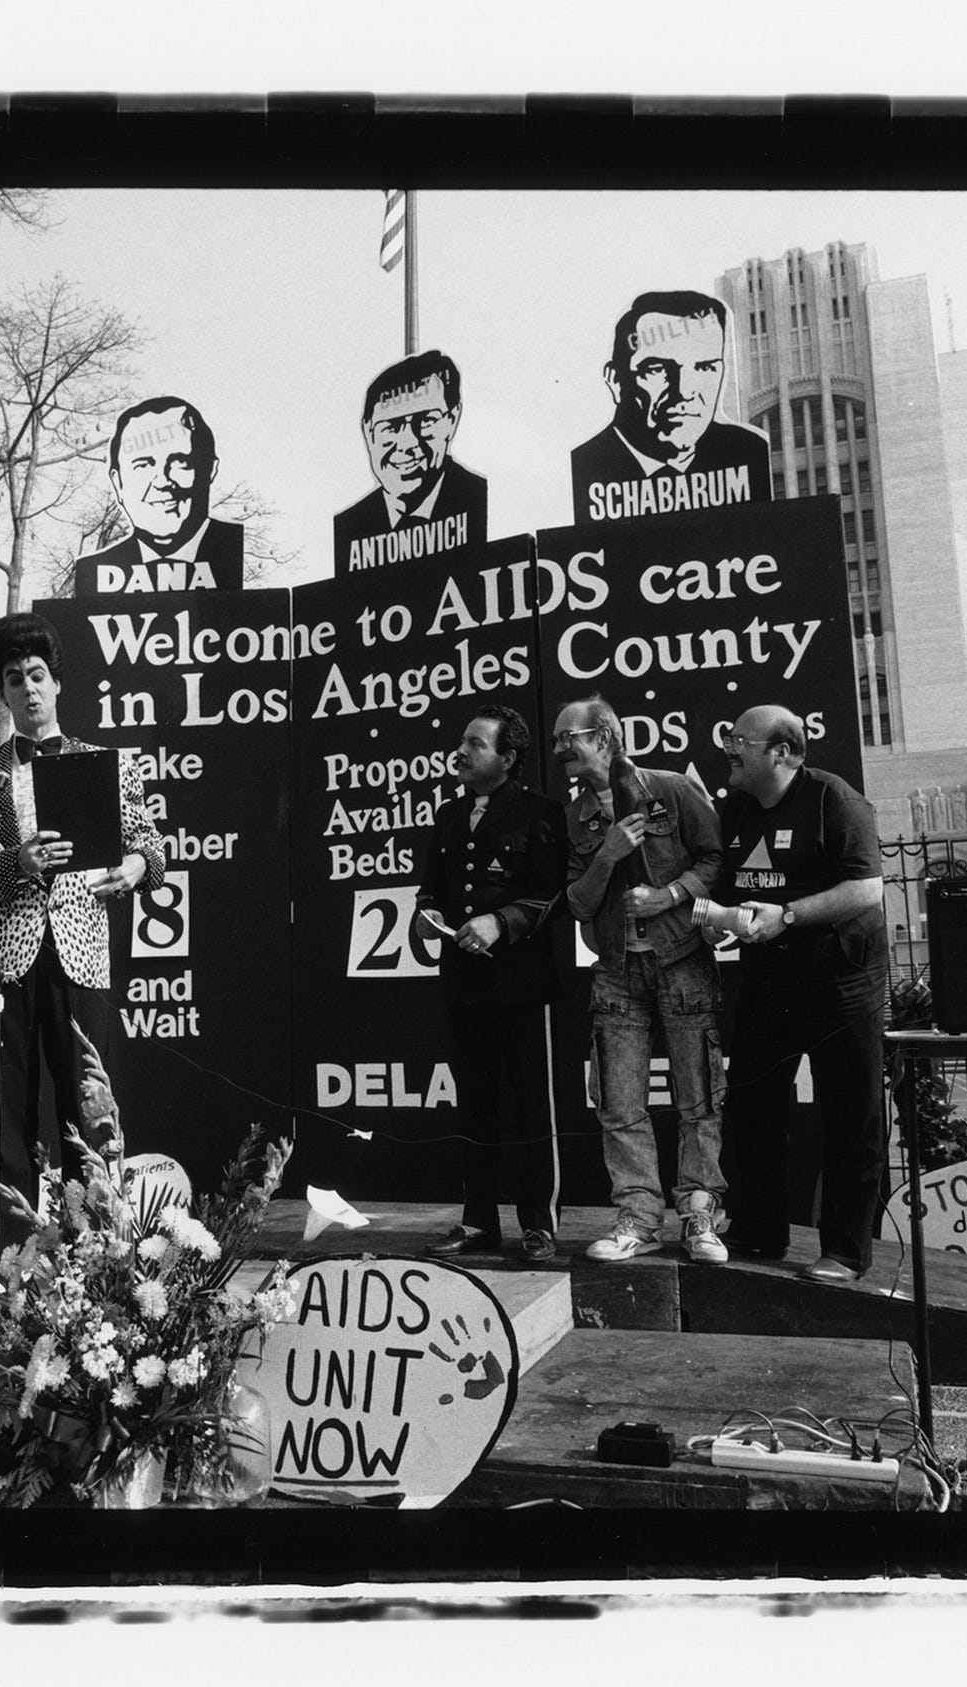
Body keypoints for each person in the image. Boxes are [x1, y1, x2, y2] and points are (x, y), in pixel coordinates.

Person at [0, 612, 169, 1252]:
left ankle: (95, 1257)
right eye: (14, 679)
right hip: (4, 958)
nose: (28, 689)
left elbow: (150, 846)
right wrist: (17, 861)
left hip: (81, 952)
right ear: (2, 693)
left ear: (57, 683)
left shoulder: (108, 765)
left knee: (90, 1107)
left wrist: (136, 868)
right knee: (9, 1113)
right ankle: (11, 1261)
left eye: (37, 675)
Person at [712, 704, 889, 1282]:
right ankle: (759, 1232)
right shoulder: (734, 808)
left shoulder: (835, 799)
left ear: (782, 753)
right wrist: (719, 918)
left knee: (849, 1116)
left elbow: (866, 889)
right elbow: (723, 885)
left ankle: (844, 1251)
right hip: (768, 982)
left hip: (841, 982)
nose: (729, 749)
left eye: (741, 740)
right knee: (751, 1105)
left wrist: (788, 914)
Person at [554, 695, 730, 1263]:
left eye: (568, 739)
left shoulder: (673, 789)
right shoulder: (576, 816)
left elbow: (714, 860)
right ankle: (638, 1216)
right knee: (619, 1103)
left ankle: (699, 1212)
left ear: (603, 738)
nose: (560, 750)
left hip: (683, 964)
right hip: (615, 972)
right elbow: (579, 904)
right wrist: (606, 855)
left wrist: (667, 897)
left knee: (698, 1097)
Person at [410, 707, 567, 1262]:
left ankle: (538, 1225)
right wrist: (424, 916)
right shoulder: (449, 816)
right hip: (464, 985)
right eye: (462, 741)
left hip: (523, 986)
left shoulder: (543, 814)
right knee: (474, 1105)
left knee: (531, 1106)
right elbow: (432, 889)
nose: (462, 752)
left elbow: (554, 895)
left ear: (507, 758)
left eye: (476, 744)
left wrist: (501, 922)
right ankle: (478, 1222)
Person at [568, 290, 772, 526]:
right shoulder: (590, 466)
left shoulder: (747, 452)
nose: (685, 392)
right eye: (657, 369)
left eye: (705, 368)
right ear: (615, 380)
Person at [332, 350, 490, 576]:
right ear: (368, 432)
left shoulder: (473, 494)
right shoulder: (352, 525)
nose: (407, 443)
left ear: (452, 420)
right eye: (391, 427)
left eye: (426, 421)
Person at [75, 396, 246, 593]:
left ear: (210, 470)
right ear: (117, 482)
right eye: (143, 465)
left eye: (181, 462)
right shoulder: (94, 573)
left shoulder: (230, 551)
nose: (162, 481)